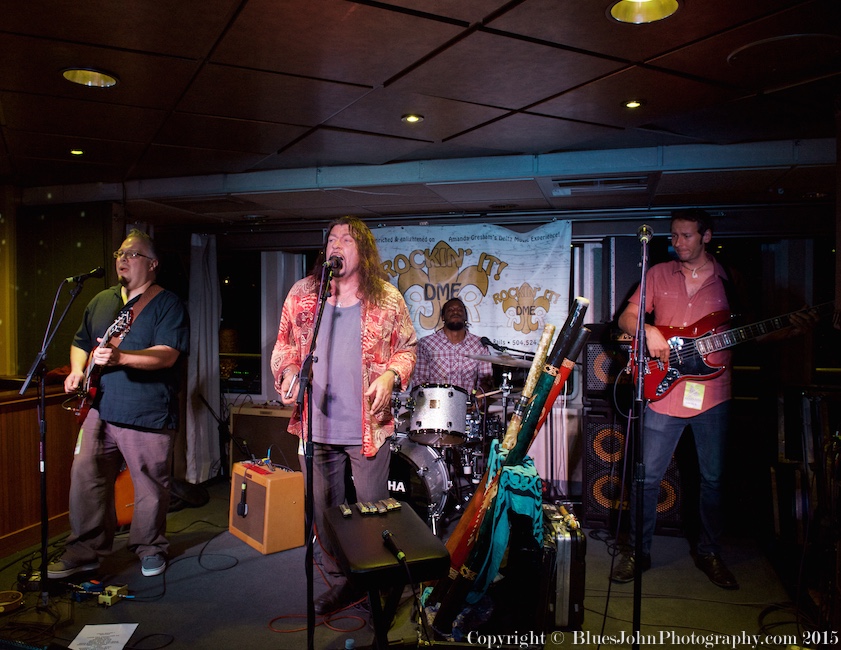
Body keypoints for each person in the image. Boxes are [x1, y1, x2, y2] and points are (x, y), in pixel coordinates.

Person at [610, 209, 814, 590]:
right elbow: (626, 318)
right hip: (663, 391)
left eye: (686, 236)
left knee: (714, 480)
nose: (677, 242)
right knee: (647, 477)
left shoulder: (730, 280)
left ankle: (709, 552)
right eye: (673, 235)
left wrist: (786, 331)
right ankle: (638, 551)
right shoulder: (656, 273)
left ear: (706, 236)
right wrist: (649, 329)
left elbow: (750, 332)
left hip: (714, 396)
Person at [271, 216, 417, 615]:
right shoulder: (304, 295)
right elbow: (283, 346)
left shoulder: (387, 299)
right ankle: (344, 582)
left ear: (364, 252)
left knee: (373, 513)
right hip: (315, 427)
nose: (337, 244)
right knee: (325, 515)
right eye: (332, 238)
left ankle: (381, 584)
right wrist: (286, 374)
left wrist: (390, 374)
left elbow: (407, 348)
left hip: (367, 426)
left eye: (347, 239)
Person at [49, 229, 189, 579]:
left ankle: (149, 548)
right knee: (86, 477)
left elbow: (167, 355)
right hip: (100, 408)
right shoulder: (101, 299)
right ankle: (85, 550)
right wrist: (78, 371)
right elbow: (81, 341)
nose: (122, 259)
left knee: (148, 486)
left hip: (146, 410)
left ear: (152, 264)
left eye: (132, 254)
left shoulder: (167, 303)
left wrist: (121, 357)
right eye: (119, 254)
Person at [413, 297, 494, 397]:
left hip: (467, 407)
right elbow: (419, 378)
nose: (455, 312)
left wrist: (479, 394)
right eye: (450, 310)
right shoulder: (426, 344)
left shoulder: (479, 345)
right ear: (443, 317)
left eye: (460, 310)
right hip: (435, 406)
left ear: (465, 317)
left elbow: (486, 379)